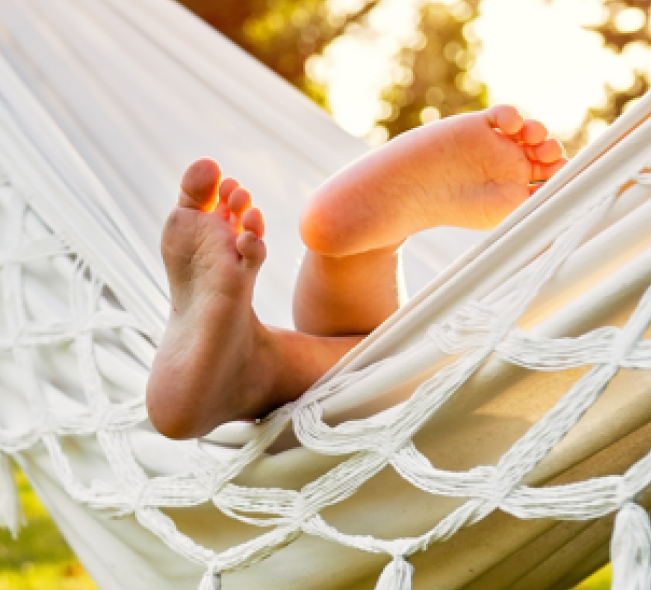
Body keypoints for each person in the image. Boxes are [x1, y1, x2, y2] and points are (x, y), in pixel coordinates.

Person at [146, 105, 568, 440]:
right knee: (388, 360)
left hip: (431, 396)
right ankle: (260, 362)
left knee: (386, 356)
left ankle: (333, 279)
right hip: (473, 412)